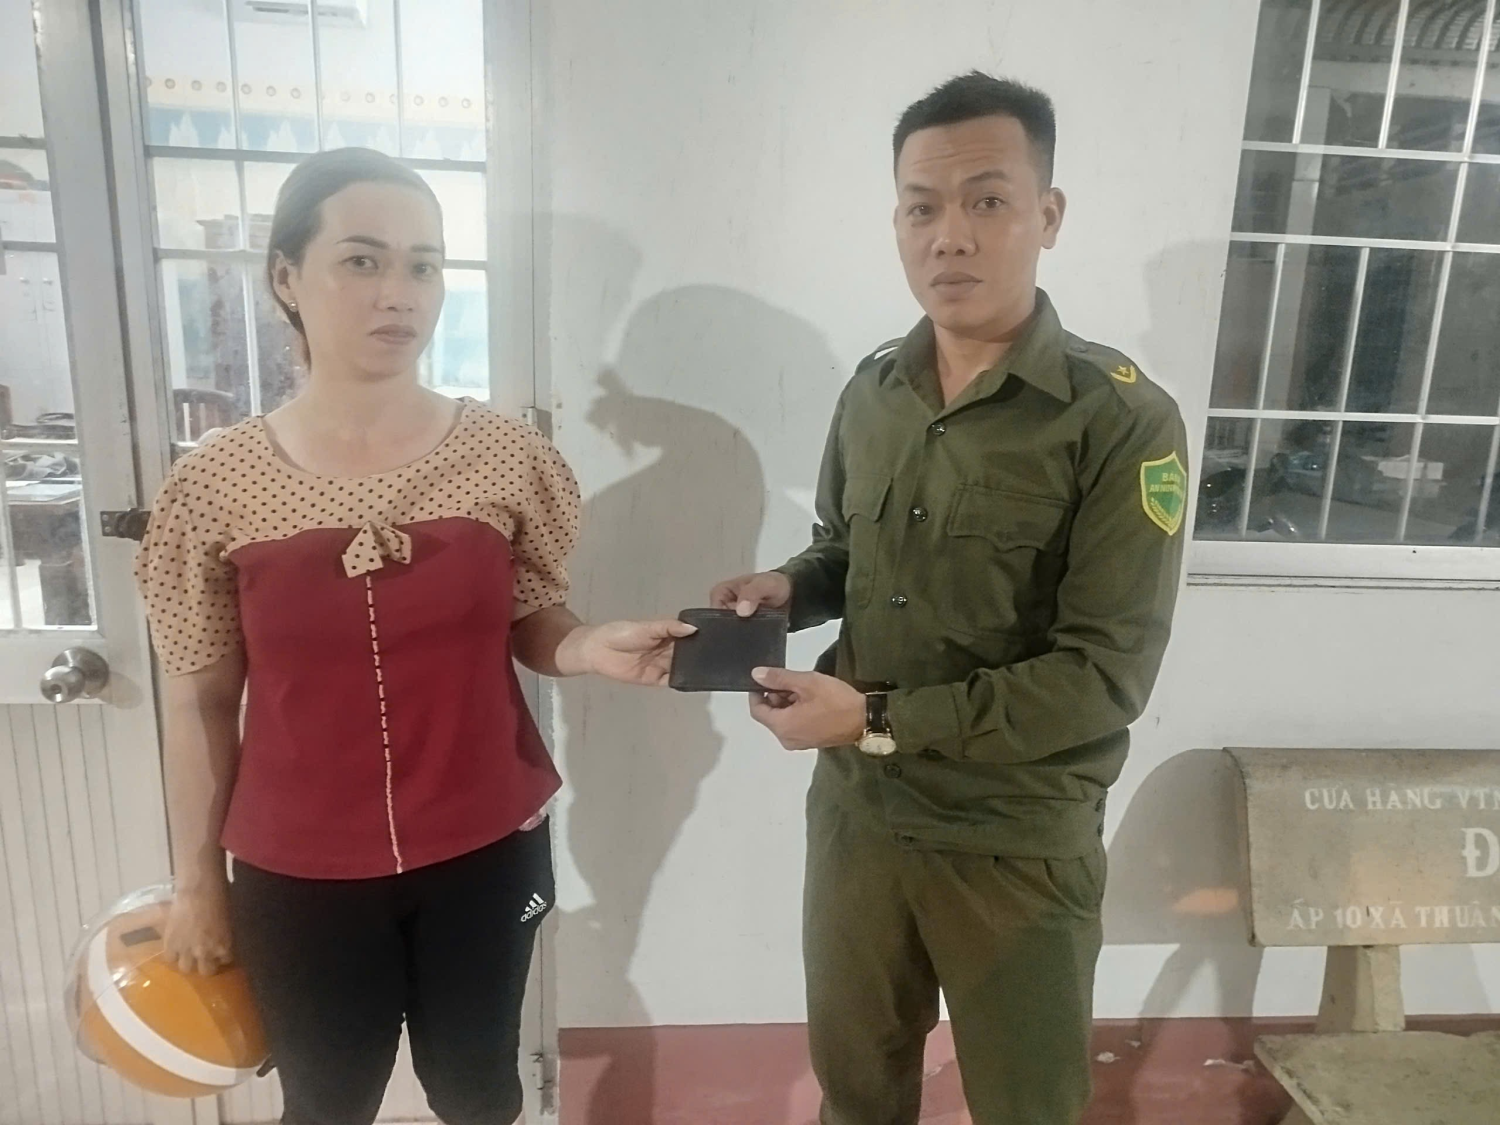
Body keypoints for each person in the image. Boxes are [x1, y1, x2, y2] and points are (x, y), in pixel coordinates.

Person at [135, 146, 692, 1125]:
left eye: (423, 264)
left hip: (485, 848)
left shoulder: (505, 455)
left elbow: (532, 618)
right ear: (286, 277)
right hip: (297, 872)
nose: (399, 292)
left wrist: (583, 646)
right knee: (327, 1103)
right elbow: (200, 701)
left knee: (479, 1093)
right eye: (362, 260)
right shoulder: (216, 485)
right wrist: (197, 885)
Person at [711, 73, 1189, 1125]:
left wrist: (873, 717)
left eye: (988, 200)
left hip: (1012, 837)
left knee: (1027, 1106)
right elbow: (849, 548)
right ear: (897, 221)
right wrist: (790, 586)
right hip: (860, 822)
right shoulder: (875, 390)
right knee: (856, 1096)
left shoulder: (1120, 422)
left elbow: (1103, 678)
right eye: (921, 207)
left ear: (1047, 215)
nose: (950, 236)